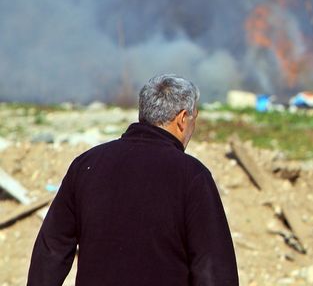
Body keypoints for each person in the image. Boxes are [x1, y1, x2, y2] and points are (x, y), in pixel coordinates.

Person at [27, 74, 239, 286]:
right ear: (183, 119)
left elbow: (50, 251)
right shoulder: (192, 176)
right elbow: (214, 269)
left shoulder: (86, 166)